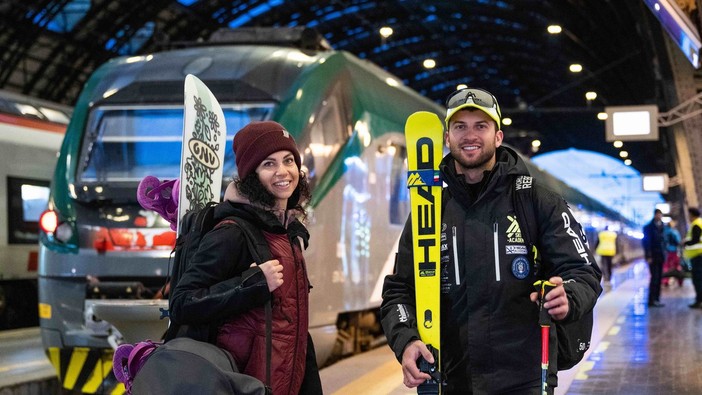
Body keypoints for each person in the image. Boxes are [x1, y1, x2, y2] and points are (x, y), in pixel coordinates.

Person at [380, 87, 602, 394]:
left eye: (480, 126)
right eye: (460, 126)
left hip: (525, 379)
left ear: (498, 137)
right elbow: (398, 291)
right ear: (447, 138)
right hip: (451, 380)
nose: (470, 135)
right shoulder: (429, 211)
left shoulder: (536, 201)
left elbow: (583, 272)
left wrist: (570, 296)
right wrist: (406, 340)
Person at [169, 121, 322, 395]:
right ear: (251, 175)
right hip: (242, 384)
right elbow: (182, 303)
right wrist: (251, 284)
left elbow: (293, 328)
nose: (283, 171)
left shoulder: (289, 234)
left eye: (288, 160)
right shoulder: (233, 233)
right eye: (268, 164)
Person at [642, 209, 666, 307]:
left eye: (660, 214)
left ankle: (657, 299)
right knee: (654, 278)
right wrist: (648, 256)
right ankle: (652, 300)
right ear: (655, 215)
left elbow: (664, 241)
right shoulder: (648, 227)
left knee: (659, 278)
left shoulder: (663, 227)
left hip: (661, 256)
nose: (659, 216)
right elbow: (646, 243)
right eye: (658, 214)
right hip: (653, 256)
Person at [683, 207, 702, 309]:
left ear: (692, 215)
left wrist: (685, 242)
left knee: (698, 279)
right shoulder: (699, 223)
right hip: (698, 256)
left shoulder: (696, 224)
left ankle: (699, 301)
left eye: (689, 214)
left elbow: (695, 239)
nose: (688, 217)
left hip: (698, 256)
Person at [662, 219, 683, 287]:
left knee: (666, 266)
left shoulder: (664, 232)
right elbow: (678, 241)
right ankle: (680, 281)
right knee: (677, 266)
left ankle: (665, 281)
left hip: (666, 252)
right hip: (674, 251)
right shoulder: (674, 232)